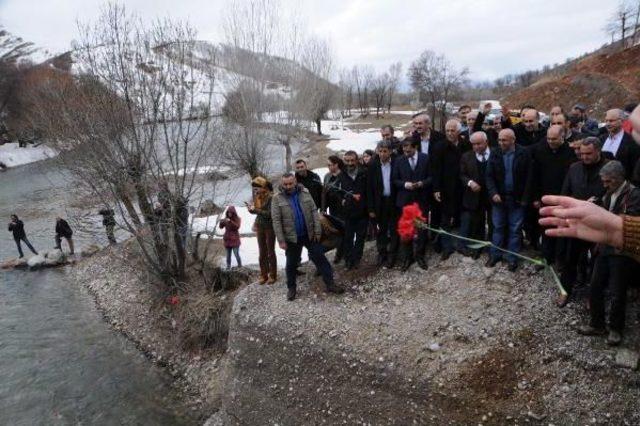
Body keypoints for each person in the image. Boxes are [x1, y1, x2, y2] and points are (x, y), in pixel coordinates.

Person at [574, 161, 640, 346]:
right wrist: (594, 206)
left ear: (619, 179)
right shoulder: (608, 192)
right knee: (594, 286)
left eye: (608, 182)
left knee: (617, 291)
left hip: (621, 251)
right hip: (603, 247)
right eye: (603, 181)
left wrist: (602, 215)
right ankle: (597, 324)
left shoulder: (634, 195)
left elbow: (630, 220)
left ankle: (616, 329)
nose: (604, 185)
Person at [271, 173, 344, 301]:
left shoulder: (305, 193)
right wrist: (281, 240)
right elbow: (276, 221)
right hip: (291, 238)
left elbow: (313, 212)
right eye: (285, 184)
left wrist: (317, 231)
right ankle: (291, 288)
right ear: (282, 184)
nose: (288, 186)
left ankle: (330, 284)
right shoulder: (277, 199)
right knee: (291, 264)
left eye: (290, 183)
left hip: (309, 234)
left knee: (319, 258)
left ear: (295, 182)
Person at [557, 137, 608, 306]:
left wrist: (598, 201)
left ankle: (592, 296)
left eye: (588, 154)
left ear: (598, 151)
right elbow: (566, 191)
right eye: (582, 153)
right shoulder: (574, 167)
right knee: (570, 258)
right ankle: (565, 290)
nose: (584, 157)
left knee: (596, 262)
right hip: (576, 221)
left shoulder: (608, 168)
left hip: (599, 222)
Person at [485, 128, 533, 271]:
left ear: (513, 140)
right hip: (499, 199)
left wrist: (525, 198)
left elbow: (530, 178)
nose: (501, 142)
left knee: (515, 229)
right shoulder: (495, 153)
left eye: (504, 140)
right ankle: (495, 255)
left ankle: (512, 258)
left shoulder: (524, 153)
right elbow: (489, 176)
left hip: (517, 199)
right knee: (498, 227)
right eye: (499, 140)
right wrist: (493, 192)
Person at [530, 125, 577, 264]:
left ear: (562, 137)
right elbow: (534, 176)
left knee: (563, 228)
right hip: (545, 197)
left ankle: (560, 259)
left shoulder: (571, 153)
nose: (550, 141)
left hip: (564, 198)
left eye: (554, 139)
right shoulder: (540, 151)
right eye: (548, 138)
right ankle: (546, 256)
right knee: (546, 229)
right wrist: (535, 197)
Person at [392, 138, 431, 271]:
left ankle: (420, 255)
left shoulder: (425, 158)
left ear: (415, 147)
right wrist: (404, 184)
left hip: (421, 200)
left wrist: (422, 183)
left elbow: (432, 177)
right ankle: (407, 258)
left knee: (421, 229)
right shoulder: (398, 161)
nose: (405, 151)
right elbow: (395, 180)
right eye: (403, 148)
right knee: (406, 229)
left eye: (408, 148)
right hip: (405, 201)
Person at [411, 112, 445, 251]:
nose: (418, 126)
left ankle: (436, 241)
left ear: (428, 124)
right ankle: (422, 241)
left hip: (437, 179)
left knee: (436, 212)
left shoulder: (439, 138)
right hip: (420, 181)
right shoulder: (413, 138)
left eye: (420, 123)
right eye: (416, 124)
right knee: (421, 213)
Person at [434, 119, 464, 260]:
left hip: (463, 187)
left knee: (463, 217)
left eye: (453, 130)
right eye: (447, 131)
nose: (450, 133)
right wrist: (436, 188)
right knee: (445, 219)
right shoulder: (440, 147)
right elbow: (436, 170)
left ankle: (462, 245)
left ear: (458, 131)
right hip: (446, 189)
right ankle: (447, 247)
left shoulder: (465, 144)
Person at [459, 131, 492, 258]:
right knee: (477, 223)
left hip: (492, 195)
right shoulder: (466, 157)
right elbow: (462, 175)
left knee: (493, 222)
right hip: (475, 196)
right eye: (473, 144)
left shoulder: (495, 153)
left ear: (486, 142)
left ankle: (492, 249)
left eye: (479, 144)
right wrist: (470, 183)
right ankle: (478, 248)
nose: (476, 147)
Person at [367, 140, 398, 267]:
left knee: (394, 229)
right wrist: (371, 208)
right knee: (381, 230)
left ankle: (393, 255)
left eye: (385, 151)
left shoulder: (397, 162)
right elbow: (368, 189)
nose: (382, 154)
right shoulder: (373, 165)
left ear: (390, 151)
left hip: (394, 201)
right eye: (380, 151)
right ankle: (382, 253)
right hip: (379, 203)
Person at [339, 151, 368, 270]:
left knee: (360, 237)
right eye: (347, 161)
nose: (350, 163)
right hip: (348, 212)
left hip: (363, 211)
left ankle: (357, 258)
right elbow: (337, 191)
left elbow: (370, 191)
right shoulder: (342, 174)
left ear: (357, 160)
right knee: (348, 237)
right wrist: (342, 199)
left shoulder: (364, 173)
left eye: (352, 160)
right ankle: (348, 259)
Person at [248, 176, 277, 284]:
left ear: (263, 186)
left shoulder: (271, 197)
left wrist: (256, 210)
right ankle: (263, 274)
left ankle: (273, 275)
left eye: (257, 187)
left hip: (270, 227)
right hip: (259, 226)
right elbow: (257, 211)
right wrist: (251, 210)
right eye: (254, 187)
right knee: (262, 252)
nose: (255, 189)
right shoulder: (257, 196)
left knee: (270, 252)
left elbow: (270, 214)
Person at [600, 108, 640, 179]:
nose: (608, 124)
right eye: (606, 121)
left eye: (611, 121)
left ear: (621, 121)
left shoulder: (632, 141)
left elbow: (634, 168)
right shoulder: (601, 139)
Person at [322, 155, 346, 264]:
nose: (328, 167)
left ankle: (344, 253)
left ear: (336, 164)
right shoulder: (327, 176)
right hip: (332, 208)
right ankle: (339, 253)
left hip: (343, 207)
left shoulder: (343, 175)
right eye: (327, 165)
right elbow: (324, 193)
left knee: (345, 230)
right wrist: (323, 208)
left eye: (330, 165)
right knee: (336, 231)